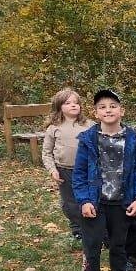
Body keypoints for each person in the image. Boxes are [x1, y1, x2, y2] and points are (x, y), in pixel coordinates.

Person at [73, 89, 136, 271]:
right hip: (95, 201)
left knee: (119, 242)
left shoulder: (134, 139)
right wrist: (84, 200)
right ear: (96, 113)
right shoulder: (88, 140)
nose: (108, 110)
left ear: (121, 111)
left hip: (121, 200)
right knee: (92, 243)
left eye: (113, 106)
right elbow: (79, 174)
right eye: (102, 107)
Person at [42, 87, 95, 243]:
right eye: (68, 103)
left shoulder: (89, 125)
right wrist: (52, 170)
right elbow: (46, 153)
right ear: (60, 107)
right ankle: (77, 229)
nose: (73, 105)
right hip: (65, 170)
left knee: (91, 199)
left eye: (76, 102)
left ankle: (96, 229)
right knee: (70, 203)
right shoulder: (54, 128)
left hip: (87, 171)